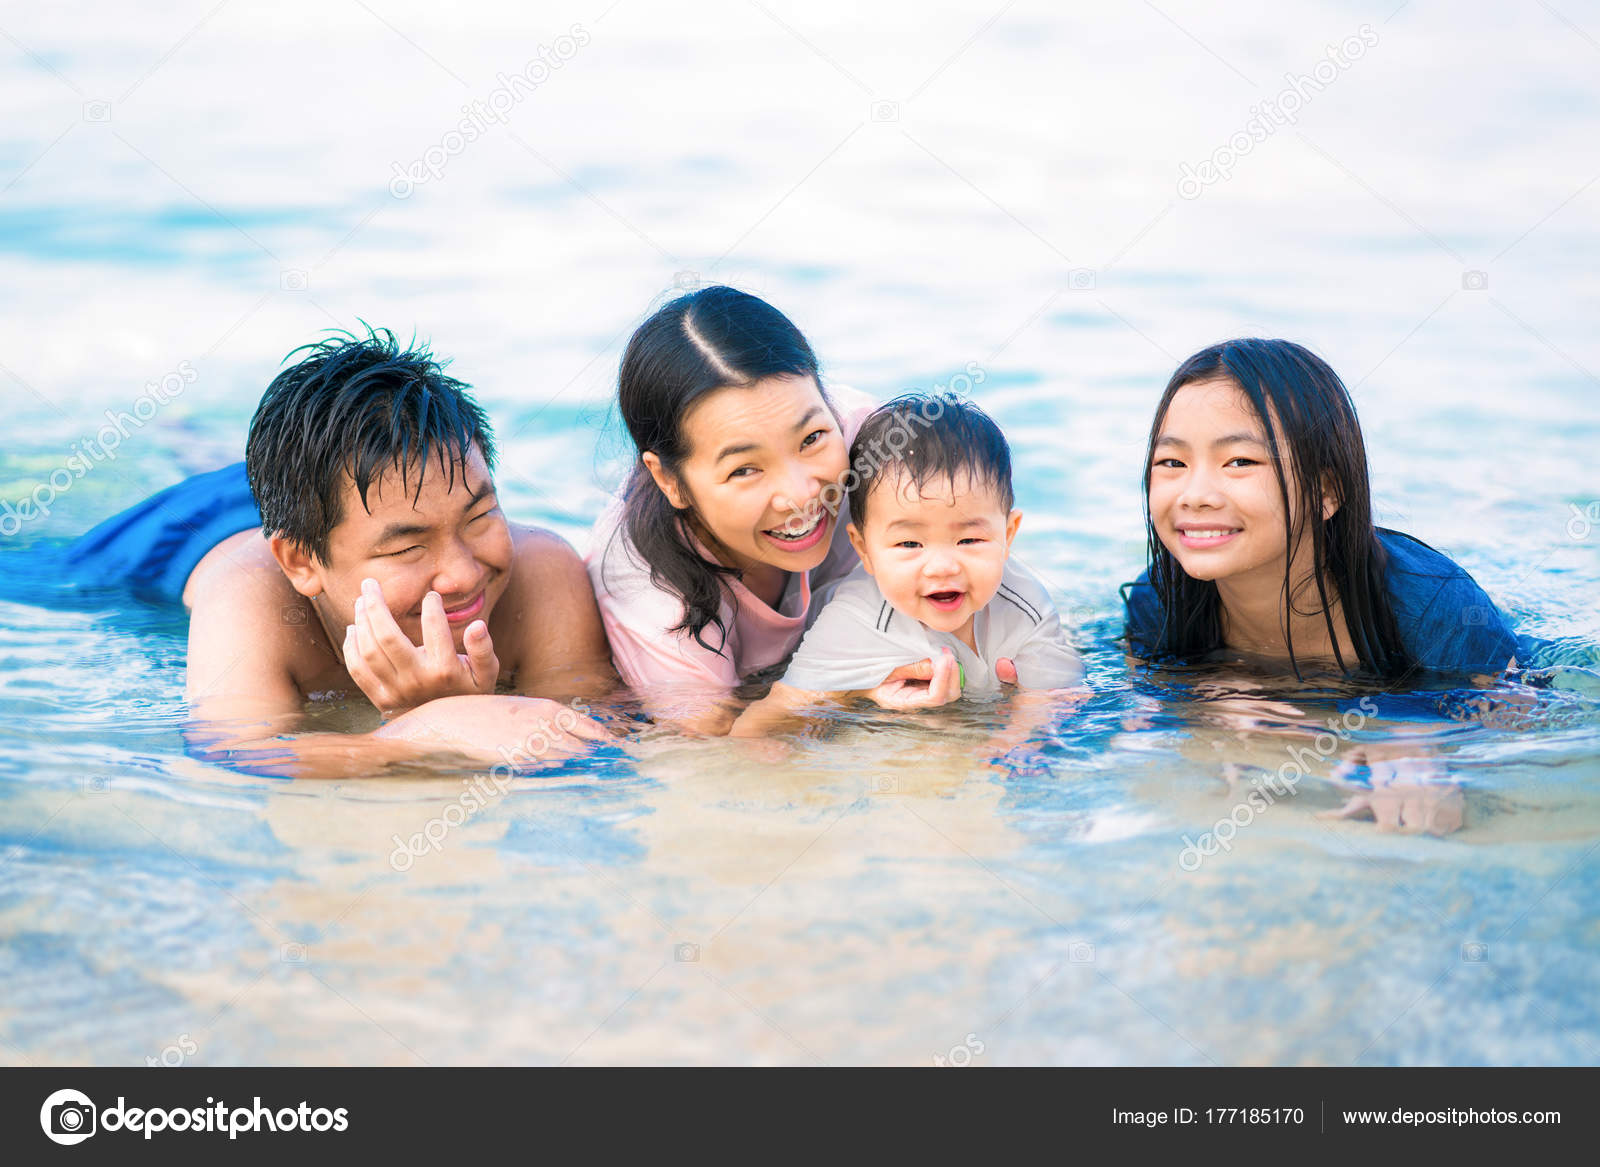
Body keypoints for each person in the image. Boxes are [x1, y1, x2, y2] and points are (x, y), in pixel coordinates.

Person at [65, 326, 617, 777]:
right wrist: (429, 726)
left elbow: (596, 737)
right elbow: (233, 753)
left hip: (353, 501)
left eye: (480, 517)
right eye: (407, 547)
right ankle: (178, 431)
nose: (464, 573)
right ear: (301, 565)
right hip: (178, 537)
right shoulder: (250, 595)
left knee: (308, 485)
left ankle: (194, 439)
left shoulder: (541, 569)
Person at [1123, 337, 1520, 833]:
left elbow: (1518, 714)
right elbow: (1148, 698)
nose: (1196, 495)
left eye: (1240, 462)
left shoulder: (1434, 607)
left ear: (1327, 491)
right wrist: (1211, 695)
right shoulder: (1160, 601)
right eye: (1173, 464)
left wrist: (1415, 733)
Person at [587, 285, 912, 734]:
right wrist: (840, 689)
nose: (799, 496)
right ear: (669, 481)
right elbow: (716, 754)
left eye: (812, 438)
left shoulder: (874, 445)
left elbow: (976, 555)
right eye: (745, 470)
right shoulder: (647, 586)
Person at [731, 395, 1082, 736]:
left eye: (969, 540)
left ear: (1008, 535)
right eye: (910, 544)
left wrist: (1010, 745)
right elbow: (765, 722)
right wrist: (849, 693)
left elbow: (1056, 698)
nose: (942, 567)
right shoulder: (854, 621)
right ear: (863, 550)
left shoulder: (1025, 604)